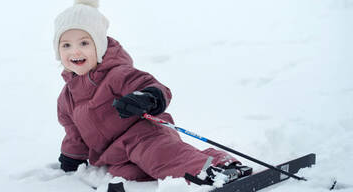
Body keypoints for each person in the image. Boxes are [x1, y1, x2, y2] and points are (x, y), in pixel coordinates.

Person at [54, 0, 251, 184]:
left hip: (145, 135)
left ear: (100, 45)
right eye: (66, 45)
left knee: (158, 157)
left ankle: (211, 172)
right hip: (116, 155)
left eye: (84, 43)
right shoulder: (66, 99)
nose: (75, 51)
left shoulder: (117, 74)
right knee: (132, 173)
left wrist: (148, 97)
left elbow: (151, 86)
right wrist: (72, 156)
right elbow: (75, 134)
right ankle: (215, 160)